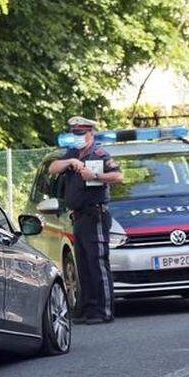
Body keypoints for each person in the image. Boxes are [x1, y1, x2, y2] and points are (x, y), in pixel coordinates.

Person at [48, 116, 125, 325]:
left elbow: (119, 177)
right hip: (79, 216)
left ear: (91, 134)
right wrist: (70, 162)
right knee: (83, 265)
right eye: (75, 134)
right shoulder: (73, 153)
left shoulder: (99, 154)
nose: (78, 138)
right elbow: (52, 168)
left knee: (97, 263)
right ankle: (89, 308)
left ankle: (104, 310)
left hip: (95, 215)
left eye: (81, 134)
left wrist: (95, 176)